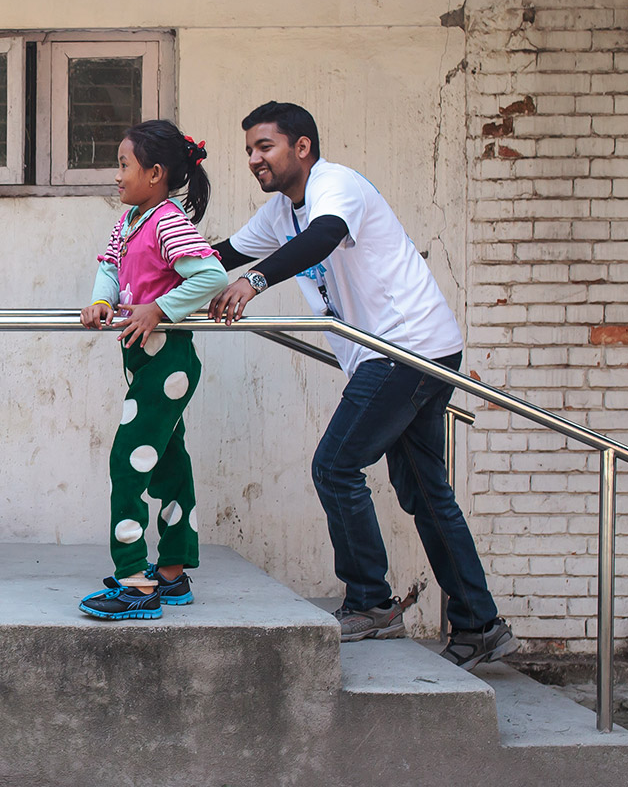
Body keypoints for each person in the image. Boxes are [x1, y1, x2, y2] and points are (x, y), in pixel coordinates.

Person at [207, 101, 516, 668]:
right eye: (249, 149)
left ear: (302, 147)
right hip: (400, 351)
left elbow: (323, 237)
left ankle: (371, 603)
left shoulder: (335, 186)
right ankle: (481, 625)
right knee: (425, 493)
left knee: (335, 465)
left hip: (406, 349)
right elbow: (220, 253)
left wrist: (253, 282)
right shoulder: (281, 211)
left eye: (265, 146)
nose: (254, 159)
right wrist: (153, 275)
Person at [78, 120, 228, 620]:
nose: (116, 175)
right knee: (166, 460)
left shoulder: (168, 220)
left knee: (128, 460)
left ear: (156, 173)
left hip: (168, 359)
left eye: (124, 165)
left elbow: (209, 275)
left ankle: (134, 581)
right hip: (144, 358)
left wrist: (160, 308)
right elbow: (109, 264)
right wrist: (103, 298)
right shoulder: (132, 220)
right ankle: (172, 572)